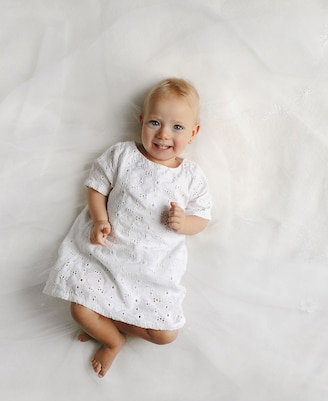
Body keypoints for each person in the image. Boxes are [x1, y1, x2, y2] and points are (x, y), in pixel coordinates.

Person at [43, 78, 212, 378]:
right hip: (108, 259)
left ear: (194, 133)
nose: (163, 134)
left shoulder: (190, 176)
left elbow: (202, 217)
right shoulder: (123, 155)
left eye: (177, 127)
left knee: (166, 335)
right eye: (156, 122)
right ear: (142, 120)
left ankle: (113, 322)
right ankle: (112, 340)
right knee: (79, 310)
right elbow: (96, 187)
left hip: (153, 271)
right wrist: (99, 219)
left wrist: (185, 223)